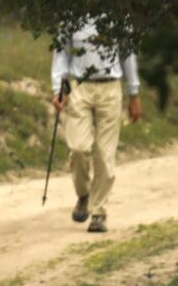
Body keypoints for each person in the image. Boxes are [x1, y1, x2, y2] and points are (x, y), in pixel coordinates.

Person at [51, 16, 142, 233]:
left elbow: (128, 54)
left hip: (110, 88)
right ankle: (84, 194)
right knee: (78, 147)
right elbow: (61, 52)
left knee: (104, 152)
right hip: (79, 86)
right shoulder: (72, 15)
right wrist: (58, 88)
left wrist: (134, 93)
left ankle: (98, 211)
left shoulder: (119, 16)